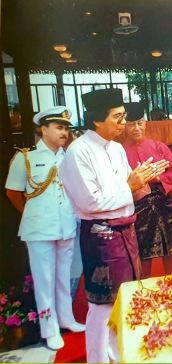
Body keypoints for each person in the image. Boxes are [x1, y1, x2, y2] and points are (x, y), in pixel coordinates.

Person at [59, 89, 158, 363]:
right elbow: (89, 202)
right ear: (96, 121)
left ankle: (116, 355)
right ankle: (97, 359)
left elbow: (130, 190)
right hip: (101, 235)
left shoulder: (116, 148)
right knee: (102, 305)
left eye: (124, 116)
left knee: (124, 298)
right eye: (117, 117)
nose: (124, 123)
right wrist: (130, 185)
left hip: (126, 231)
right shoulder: (79, 152)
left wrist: (146, 180)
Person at [5, 106, 85, 350]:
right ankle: (49, 330)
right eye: (59, 128)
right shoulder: (26, 157)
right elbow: (13, 193)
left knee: (64, 276)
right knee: (44, 279)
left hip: (66, 225)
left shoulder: (68, 156)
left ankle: (67, 319)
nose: (64, 133)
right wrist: (34, 215)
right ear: (43, 129)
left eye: (66, 128)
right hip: (39, 229)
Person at [122, 102, 172, 278]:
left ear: (146, 122)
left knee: (171, 248)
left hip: (165, 204)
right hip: (139, 206)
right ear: (124, 126)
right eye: (131, 124)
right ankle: (144, 289)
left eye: (140, 122)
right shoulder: (119, 151)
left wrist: (158, 178)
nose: (136, 128)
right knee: (144, 251)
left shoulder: (159, 147)